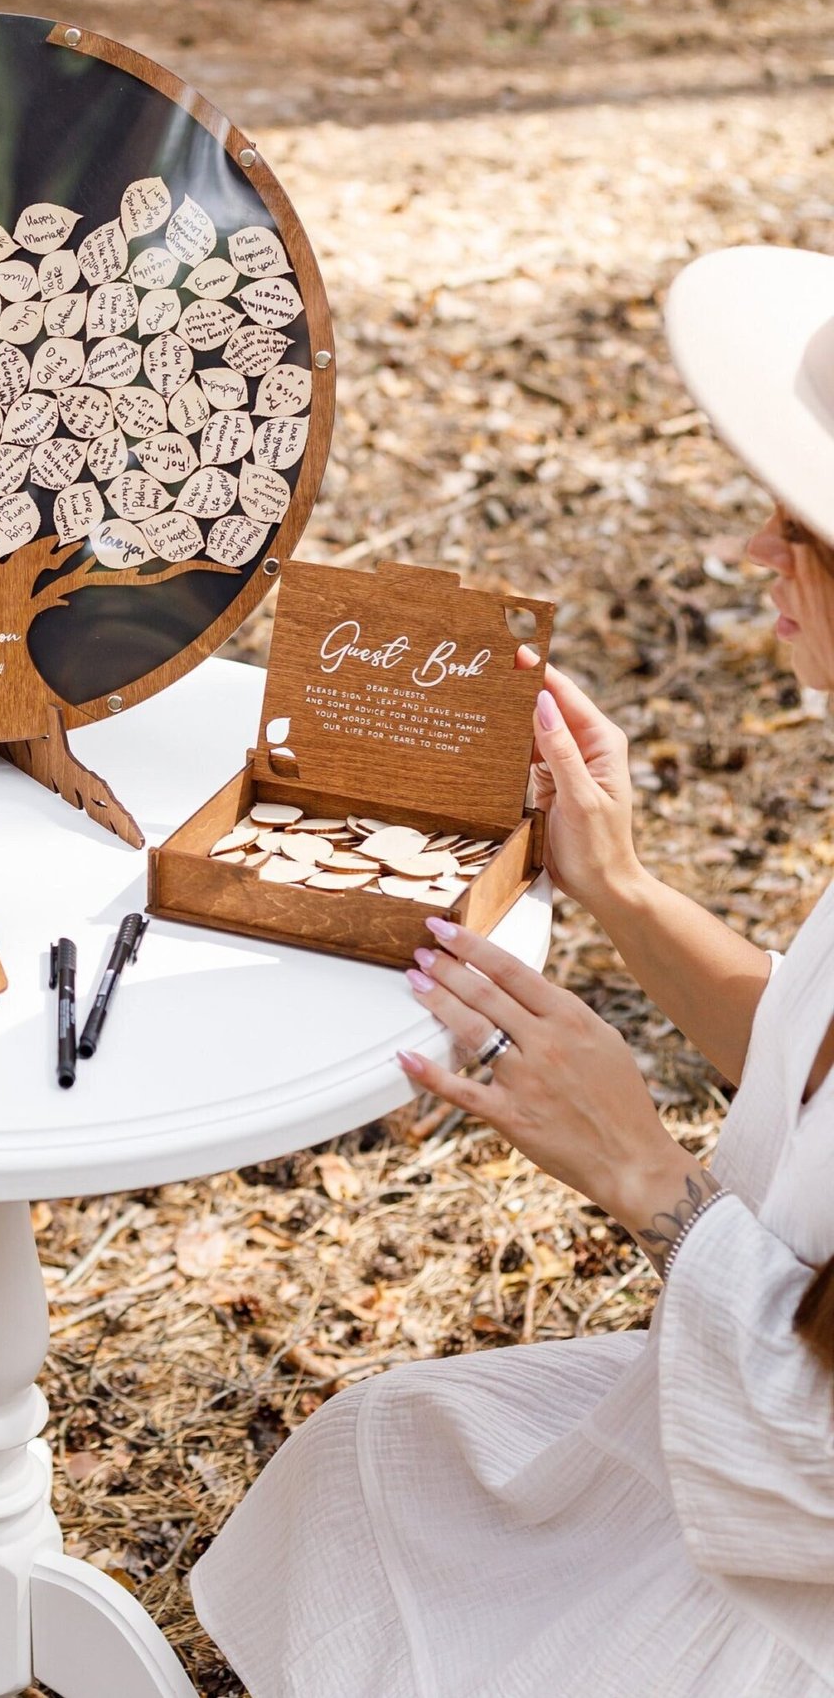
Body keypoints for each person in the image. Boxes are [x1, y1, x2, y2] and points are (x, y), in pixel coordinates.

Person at [191, 246, 834, 1698]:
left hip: (788, 1582)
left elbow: (818, 1464)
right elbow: (810, 1053)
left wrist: (647, 1174)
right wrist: (619, 883)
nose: (753, 553)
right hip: (709, 1422)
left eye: (792, 526)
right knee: (374, 1454)